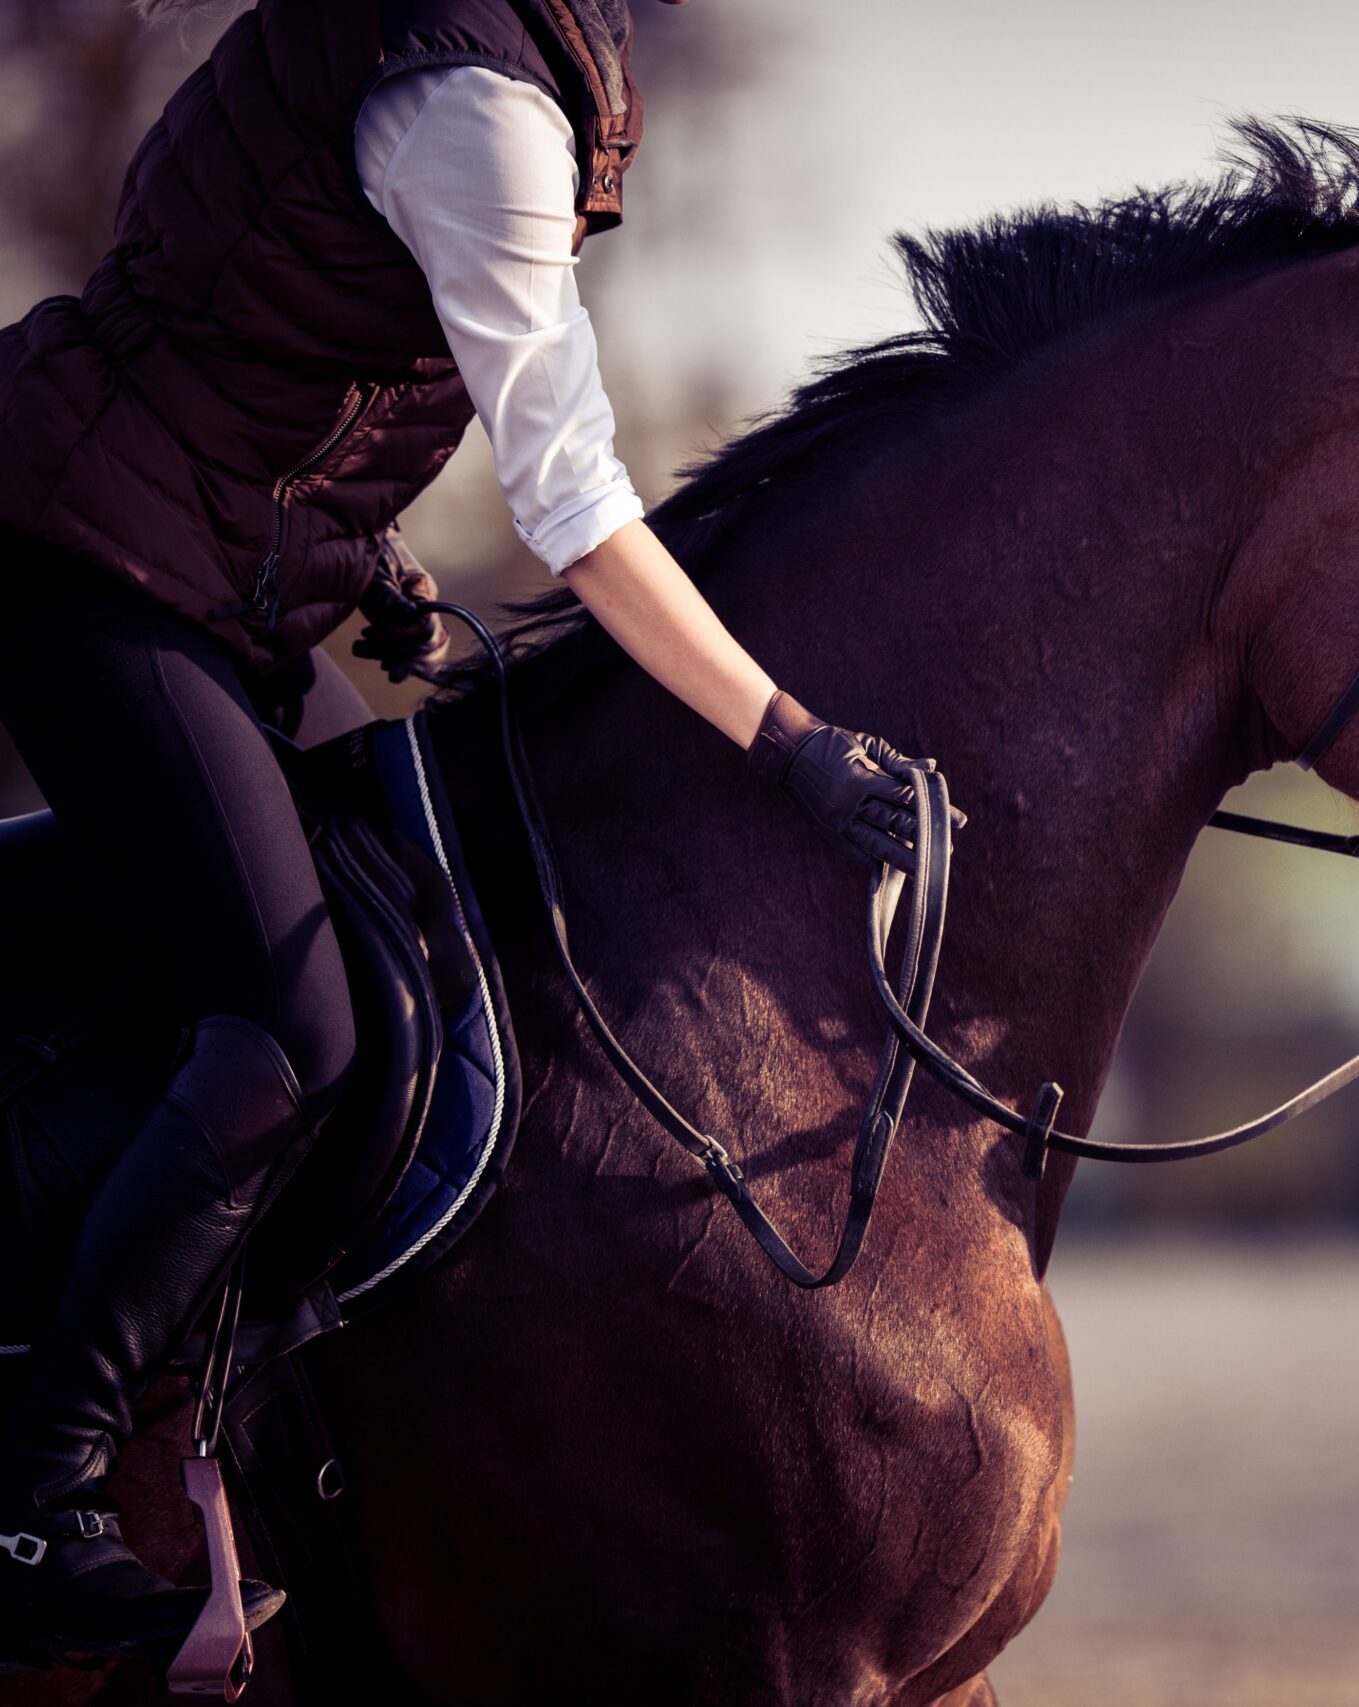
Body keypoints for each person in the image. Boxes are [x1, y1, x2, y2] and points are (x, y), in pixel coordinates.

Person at [0, 0, 927, 1667]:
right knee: (291, 1026)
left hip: (209, 582)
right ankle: (33, 1494)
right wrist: (786, 739)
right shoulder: (479, 102)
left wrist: (362, 564)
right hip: (92, 576)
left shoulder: (508, 56)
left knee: (419, 925)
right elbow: (572, 497)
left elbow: (256, 362)